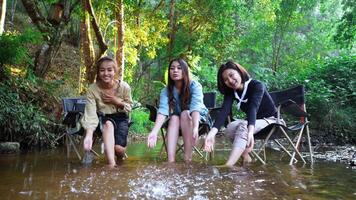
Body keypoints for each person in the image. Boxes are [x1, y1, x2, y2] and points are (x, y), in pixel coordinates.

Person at [204, 61, 278, 167]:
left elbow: (253, 108)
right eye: (225, 79)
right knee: (230, 127)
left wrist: (250, 131)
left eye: (231, 75)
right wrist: (211, 133)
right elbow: (224, 111)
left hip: (272, 120)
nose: (230, 80)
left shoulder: (256, 85)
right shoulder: (231, 92)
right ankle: (246, 158)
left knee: (244, 125)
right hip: (255, 123)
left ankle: (228, 165)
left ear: (239, 72)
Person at [147, 58, 208, 162]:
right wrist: (154, 132)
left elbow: (195, 107)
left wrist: (195, 127)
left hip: (197, 120)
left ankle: (187, 160)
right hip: (176, 123)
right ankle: (171, 162)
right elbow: (163, 110)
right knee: (174, 117)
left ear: (185, 71)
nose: (175, 70)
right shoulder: (166, 91)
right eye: (172, 68)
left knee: (185, 113)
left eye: (179, 68)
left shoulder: (195, 86)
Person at [81, 56, 133, 167]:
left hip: (121, 118)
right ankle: (111, 165)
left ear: (115, 71)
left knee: (118, 150)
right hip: (103, 119)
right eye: (102, 70)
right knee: (108, 124)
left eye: (109, 70)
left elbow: (129, 107)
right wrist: (89, 135)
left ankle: (119, 158)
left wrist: (117, 102)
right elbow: (90, 113)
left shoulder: (124, 87)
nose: (106, 73)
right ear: (98, 72)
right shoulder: (92, 89)